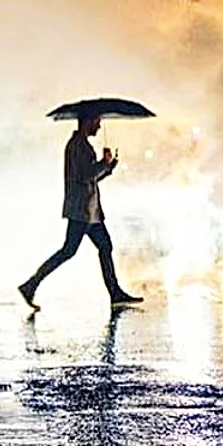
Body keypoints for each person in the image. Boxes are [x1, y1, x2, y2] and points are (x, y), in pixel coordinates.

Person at [18, 115, 142, 311]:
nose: (99, 126)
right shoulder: (78, 146)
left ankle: (115, 292)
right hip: (81, 210)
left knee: (104, 246)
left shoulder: (81, 144)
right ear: (88, 122)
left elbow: (89, 178)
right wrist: (103, 163)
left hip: (89, 210)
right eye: (97, 121)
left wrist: (107, 168)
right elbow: (85, 175)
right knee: (69, 250)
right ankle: (31, 284)